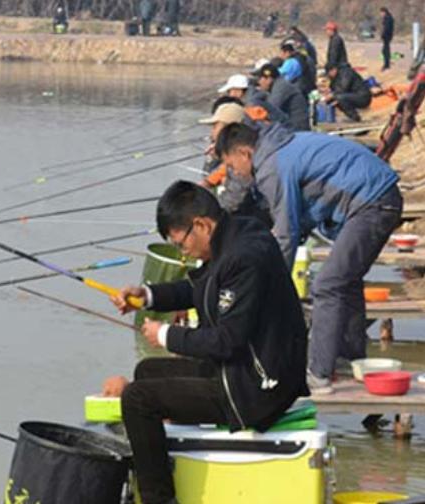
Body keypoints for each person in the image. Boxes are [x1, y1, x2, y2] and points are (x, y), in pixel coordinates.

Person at [106, 180, 309, 504]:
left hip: (257, 387)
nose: (182, 253)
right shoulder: (237, 235)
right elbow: (201, 290)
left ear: (200, 224)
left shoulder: (244, 258)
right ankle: (173, 455)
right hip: (247, 369)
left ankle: (159, 499)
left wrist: (166, 335)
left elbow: (227, 341)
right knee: (147, 371)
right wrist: (147, 296)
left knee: (137, 399)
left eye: (181, 244)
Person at [216, 122, 402, 394]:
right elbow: (297, 218)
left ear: (245, 153)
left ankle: (319, 373)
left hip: (372, 202)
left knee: (327, 285)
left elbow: (286, 234)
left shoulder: (271, 167)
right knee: (344, 281)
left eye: (232, 166)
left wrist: (270, 284)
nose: (234, 173)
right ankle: (349, 359)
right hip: (377, 196)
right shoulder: (281, 146)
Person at [254, 63, 310, 131]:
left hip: (297, 129)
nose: (259, 82)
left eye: (260, 79)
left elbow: (270, 109)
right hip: (292, 126)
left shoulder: (281, 87)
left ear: (269, 79)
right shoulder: (278, 85)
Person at [380, 7, 394, 71]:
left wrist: (384, 35)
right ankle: (386, 64)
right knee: (384, 51)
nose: (381, 14)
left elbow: (387, 28)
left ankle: (386, 64)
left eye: (382, 13)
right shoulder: (388, 18)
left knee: (385, 51)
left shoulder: (388, 18)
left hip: (387, 36)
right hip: (387, 36)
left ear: (384, 12)